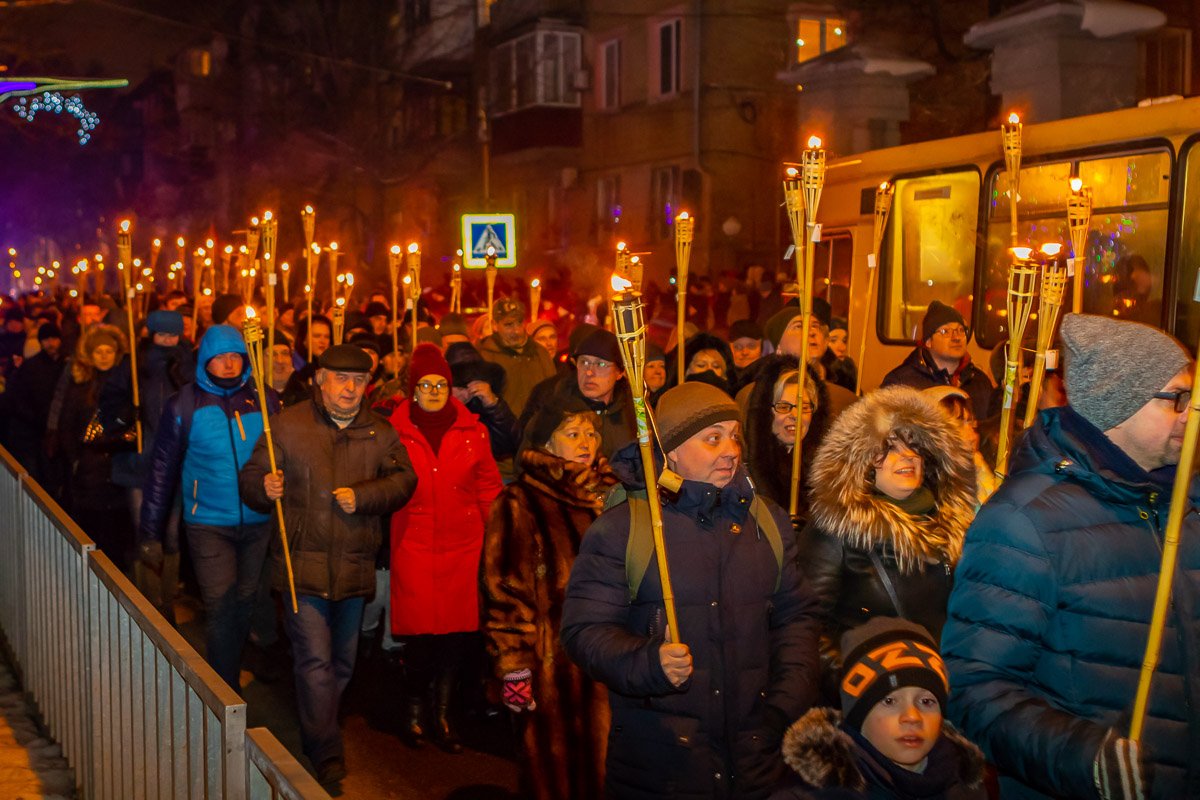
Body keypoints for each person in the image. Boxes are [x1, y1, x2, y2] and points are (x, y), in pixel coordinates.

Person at [941, 313, 1200, 800]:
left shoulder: (1189, 503)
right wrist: (1083, 756)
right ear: (1115, 405)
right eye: (1176, 399)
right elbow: (975, 689)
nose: (1191, 412)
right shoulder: (1024, 522)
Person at [561, 381, 822, 799]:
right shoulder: (623, 529)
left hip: (754, 756)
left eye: (734, 437)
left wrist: (782, 706)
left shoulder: (765, 522)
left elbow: (796, 619)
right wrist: (649, 662)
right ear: (672, 452)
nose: (731, 451)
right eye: (712, 438)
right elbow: (584, 632)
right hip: (662, 762)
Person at [239, 343, 417, 788]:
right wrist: (264, 486)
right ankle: (326, 751)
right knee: (315, 661)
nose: (350, 389)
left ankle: (317, 724)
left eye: (358, 381)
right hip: (303, 567)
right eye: (340, 379)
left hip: (356, 563)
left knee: (342, 663)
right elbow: (250, 478)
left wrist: (365, 495)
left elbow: (403, 481)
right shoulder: (287, 426)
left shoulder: (380, 431)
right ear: (320, 379)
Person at [483, 396, 619, 800]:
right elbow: (505, 591)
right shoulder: (519, 502)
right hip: (552, 666)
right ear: (546, 444)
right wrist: (514, 668)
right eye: (572, 433)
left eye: (591, 433)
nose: (586, 442)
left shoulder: (613, 495)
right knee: (554, 773)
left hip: (612, 659)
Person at [798, 386, 976, 683]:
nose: (907, 456)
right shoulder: (837, 526)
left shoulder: (951, 522)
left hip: (944, 688)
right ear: (863, 460)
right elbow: (807, 628)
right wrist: (863, 683)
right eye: (890, 448)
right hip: (876, 698)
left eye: (915, 446)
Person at [139, 324, 277, 690]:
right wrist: (150, 530)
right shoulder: (184, 405)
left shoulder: (264, 400)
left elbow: (285, 457)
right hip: (208, 522)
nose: (229, 365)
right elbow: (161, 470)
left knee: (245, 601)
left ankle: (233, 662)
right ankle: (224, 688)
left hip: (258, 518)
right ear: (205, 361)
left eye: (236, 357)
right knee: (220, 605)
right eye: (220, 358)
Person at [388, 344, 503, 753]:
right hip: (414, 545)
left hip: (464, 546)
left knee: (456, 638)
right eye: (426, 384)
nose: (435, 391)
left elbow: (488, 486)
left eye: (441, 384)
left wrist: (497, 537)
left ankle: (442, 712)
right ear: (412, 389)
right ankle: (414, 707)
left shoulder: (474, 431)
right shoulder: (393, 431)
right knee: (421, 639)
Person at [770, 618, 987, 800]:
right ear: (857, 715)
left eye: (927, 702)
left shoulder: (966, 785)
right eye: (889, 702)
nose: (912, 717)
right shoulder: (810, 794)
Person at [104, 309, 194, 623]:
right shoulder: (133, 364)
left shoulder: (186, 363)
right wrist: (125, 413)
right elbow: (109, 404)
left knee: (170, 532)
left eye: (174, 334)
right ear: (150, 334)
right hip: (139, 461)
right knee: (145, 529)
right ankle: (148, 598)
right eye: (162, 334)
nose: (169, 340)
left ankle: (166, 598)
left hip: (174, 460)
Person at [53, 324, 132, 567]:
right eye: (99, 351)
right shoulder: (81, 386)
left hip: (119, 466)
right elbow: (67, 424)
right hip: (90, 470)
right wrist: (76, 459)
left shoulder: (128, 386)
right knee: (93, 527)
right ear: (90, 354)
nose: (105, 356)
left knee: (118, 532)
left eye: (109, 350)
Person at [520, 328, 636, 461]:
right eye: (584, 362)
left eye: (601, 364)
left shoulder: (633, 412)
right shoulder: (554, 409)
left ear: (620, 372)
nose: (589, 372)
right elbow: (527, 460)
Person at [743, 355, 830, 517]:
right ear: (766, 413)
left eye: (804, 407)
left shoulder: (830, 471)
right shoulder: (744, 470)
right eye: (783, 407)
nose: (795, 415)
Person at [881, 301, 992, 422]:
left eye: (961, 330)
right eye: (945, 331)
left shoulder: (980, 382)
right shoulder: (901, 383)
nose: (956, 337)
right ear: (928, 342)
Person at [478, 297, 556, 419]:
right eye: (508, 325)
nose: (517, 331)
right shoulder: (484, 356)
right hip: (501, 432)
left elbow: (553, 394)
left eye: (520, 322)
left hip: (534, 432)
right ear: (494, 325)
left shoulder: (540, 353)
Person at [923, 386, 997, 508]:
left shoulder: (978, 468)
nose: (972, 436)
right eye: (958, 425)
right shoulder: (930, 494)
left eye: (970, 423)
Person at [821, 317, 857, 393]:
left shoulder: (849, 371)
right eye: (833, 340)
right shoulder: (819, 371)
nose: (842, 348)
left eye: (844, 341)